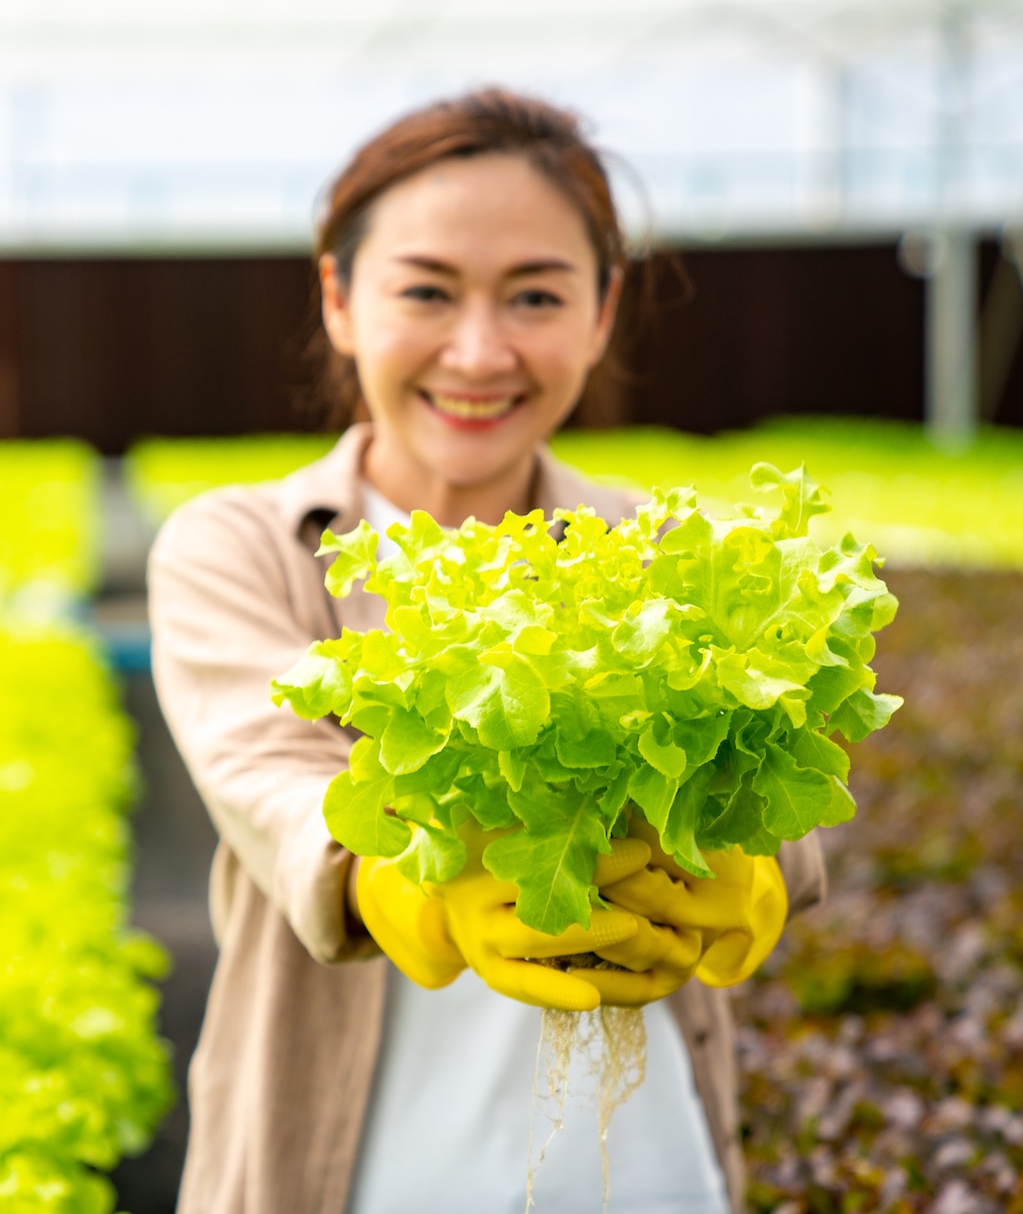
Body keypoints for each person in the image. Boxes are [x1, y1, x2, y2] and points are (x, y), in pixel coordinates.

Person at [146, 88, 826, 1214]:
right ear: (340, 298)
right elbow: (266, 781)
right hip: (349, 1172)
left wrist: (758, 866)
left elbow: (791, 780)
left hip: (636, 1170)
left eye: (536, 296)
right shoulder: (248, 548)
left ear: (602, 312)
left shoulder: (661, 552)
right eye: (425, 290)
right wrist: (403, 889)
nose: (479, 351)